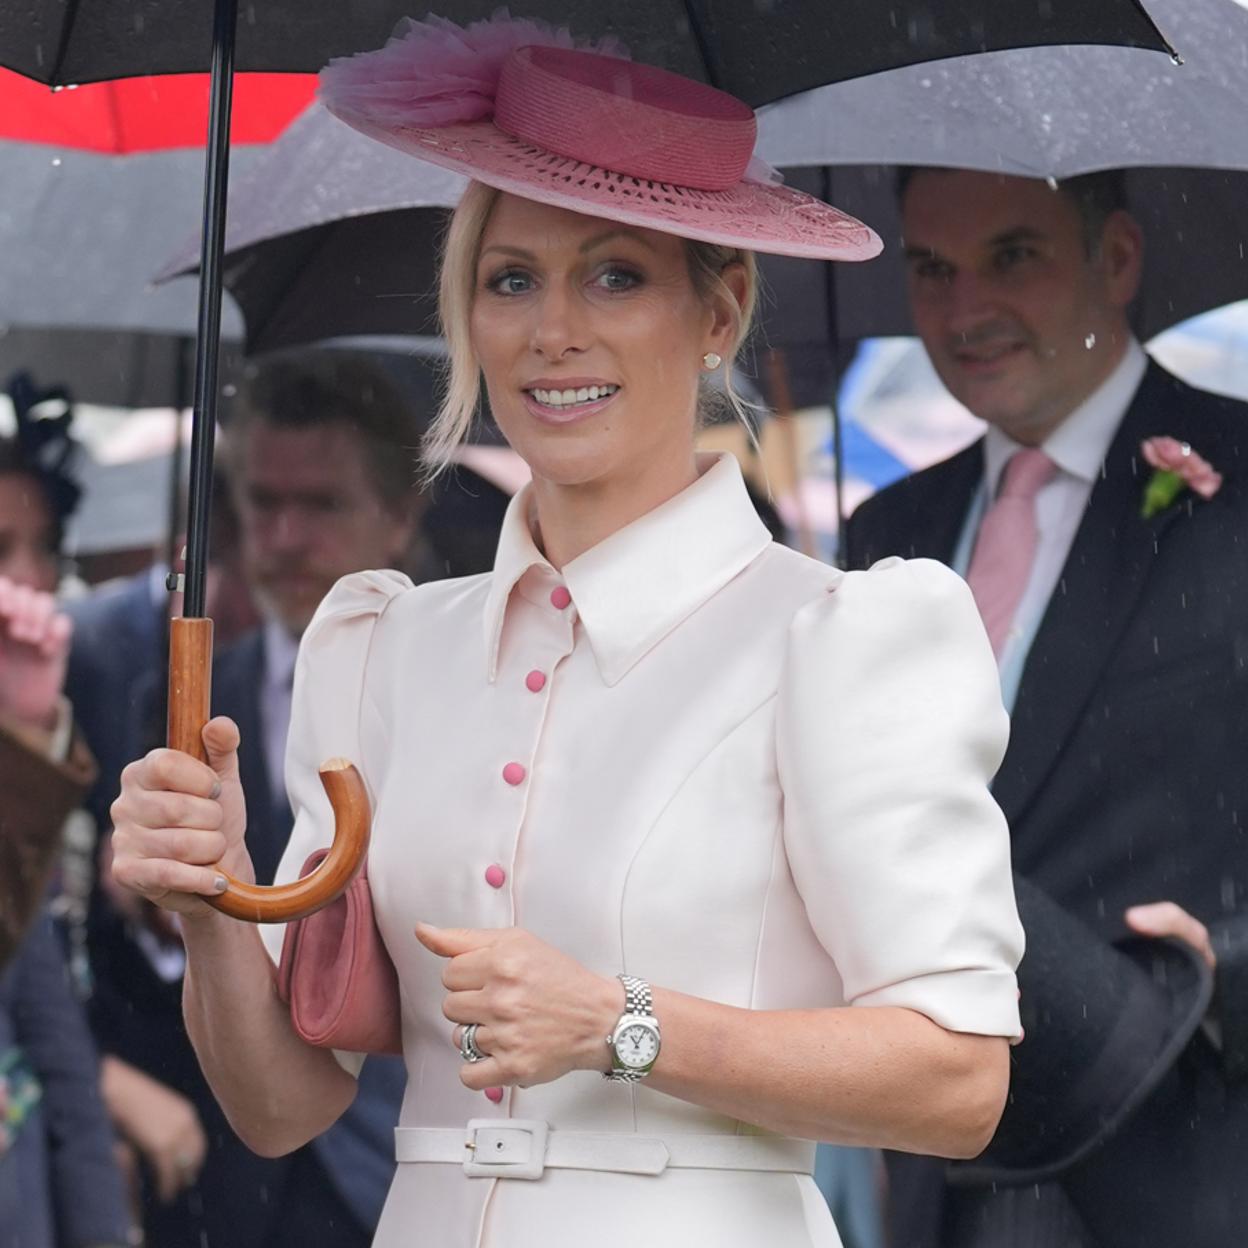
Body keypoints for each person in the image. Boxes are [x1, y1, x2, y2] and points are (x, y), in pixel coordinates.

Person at [109, 16, 1024, 1248]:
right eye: (511, 280)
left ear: (720, 311)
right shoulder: (380, 650)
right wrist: (208, 894)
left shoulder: (836, 641)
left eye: (615, 275)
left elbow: (959, 1084)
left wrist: (622, 1025)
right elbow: (281, 1108)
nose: (553, 332)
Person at [847, 167, 1248, 1247]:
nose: (964, 308)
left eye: (1012, 257)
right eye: (932, 268)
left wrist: (1220, 975)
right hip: (943, 1167)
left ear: (1116, 258)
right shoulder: (886, 530)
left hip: (1187, 1151)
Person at [87, 352, 423, 1248]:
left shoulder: (456, 693)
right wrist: (152, 909)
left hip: (399, 1176)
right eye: (262, 503)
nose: (283, 538)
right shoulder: (177, 699)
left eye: (321, 505)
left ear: (399, 515)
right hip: (226, 1184)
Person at [0, 385, 133, 1247]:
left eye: (44, 548)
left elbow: (58, 1050)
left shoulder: (59, 723)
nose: (27, 579)